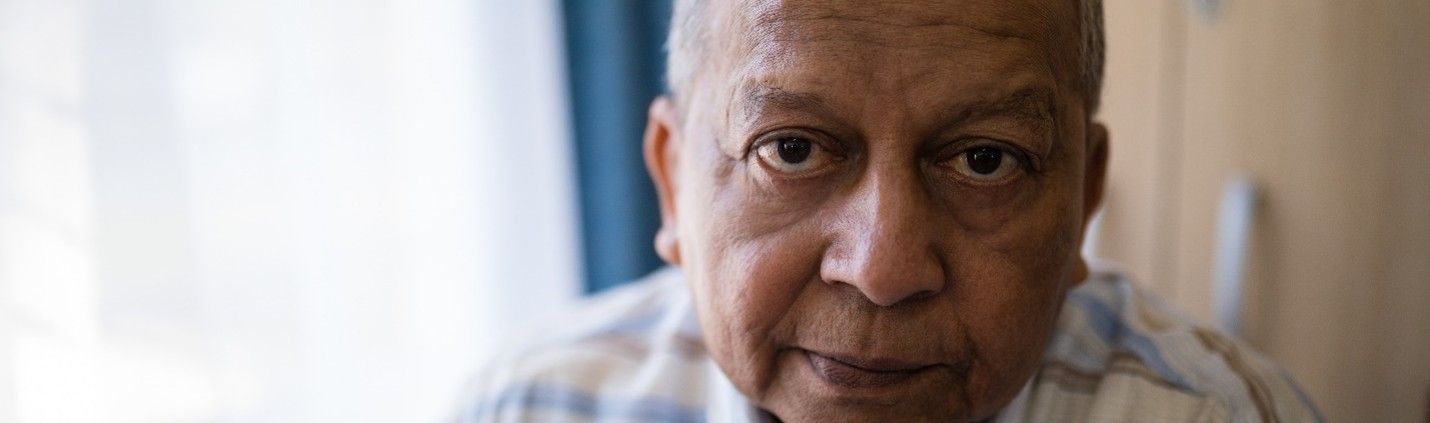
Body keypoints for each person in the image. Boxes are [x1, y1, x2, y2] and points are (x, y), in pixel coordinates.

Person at [460, 0, 1321, 421]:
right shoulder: (536, 404)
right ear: (671, 178)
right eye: (790, 149)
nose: (881, 267)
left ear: (1084, 197)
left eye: (986, 160)